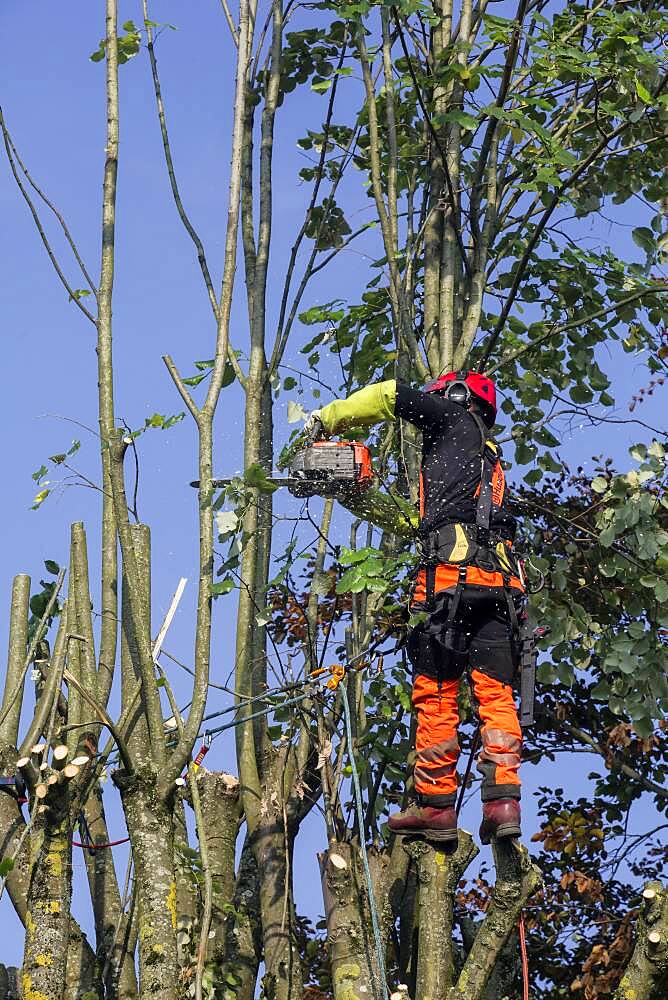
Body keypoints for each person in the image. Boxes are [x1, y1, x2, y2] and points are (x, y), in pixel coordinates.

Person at [304, 372, 525, 843]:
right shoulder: (486, 465)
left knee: (438, 690)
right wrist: (354, 495)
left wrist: (326, 420)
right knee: (495, 696)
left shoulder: (451, 421)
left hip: (451, 583)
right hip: (499, 590)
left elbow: (387, 395)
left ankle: (437, 807)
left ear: (454, 398)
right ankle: (503, 802)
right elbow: (416, 523)